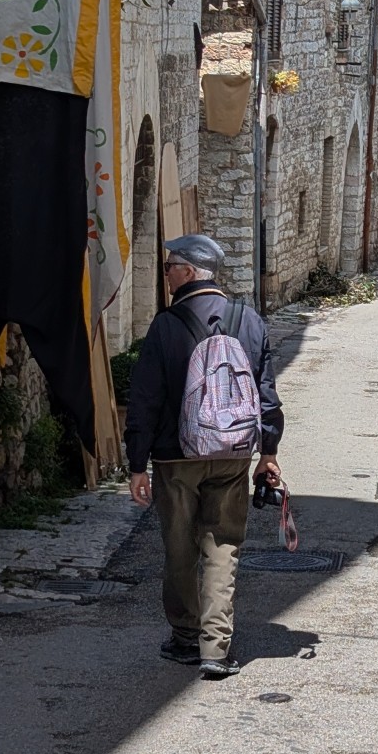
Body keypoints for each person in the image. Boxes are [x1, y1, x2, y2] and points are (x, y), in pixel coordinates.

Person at [124, 233, 284, 679]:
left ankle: (184, 637)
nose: (167, 274)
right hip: (232, 453)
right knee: (223, 547)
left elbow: (145, 399)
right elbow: (267, 394)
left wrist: (137, 462)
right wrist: (267, 451)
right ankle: (215, 647)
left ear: (189, 273)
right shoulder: (250, 321)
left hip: (176, 457)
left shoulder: (166, 325)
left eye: (171, 266)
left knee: (180, 549)